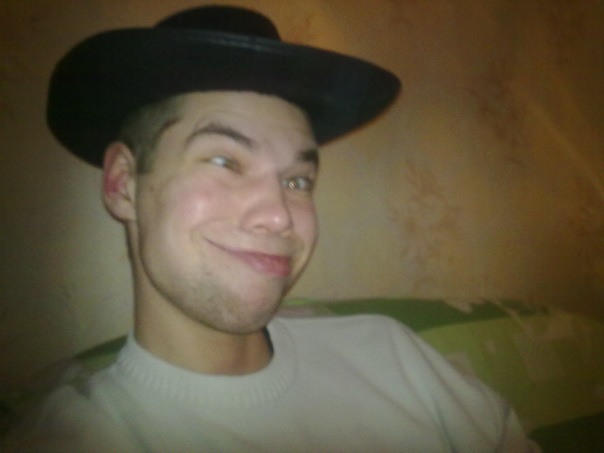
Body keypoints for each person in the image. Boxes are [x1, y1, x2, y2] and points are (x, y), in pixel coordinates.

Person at [4, 5, 539, 452]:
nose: (280, 216)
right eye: (224, 161)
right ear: (123, 184)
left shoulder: (391, 354)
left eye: (297, 180)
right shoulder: (74, 438)